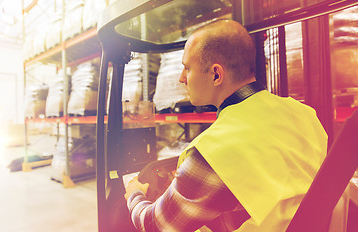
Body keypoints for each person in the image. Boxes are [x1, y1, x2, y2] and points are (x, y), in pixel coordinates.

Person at [124, 19, 327, 231]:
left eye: (187, 68)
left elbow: (154, 225)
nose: (181, 78)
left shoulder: (211, 152)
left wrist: (135, 193)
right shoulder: (303, 113)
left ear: (216, 75)